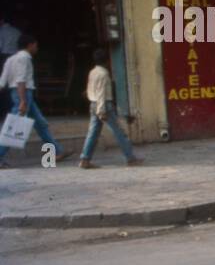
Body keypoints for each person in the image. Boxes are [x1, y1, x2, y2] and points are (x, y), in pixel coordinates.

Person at [0, 35, 72, 167]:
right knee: (14, 128)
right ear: (30, 45)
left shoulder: (11, 59)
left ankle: (57, 150)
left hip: (19, 94)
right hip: (23, 94)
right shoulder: (24, 58)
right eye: (36, 45)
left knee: (40, 124)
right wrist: (22, 100)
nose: (36, 48)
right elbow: (21, 80)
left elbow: (2, 81)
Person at [79, 48, 143, 168]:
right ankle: (131, 159)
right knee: (119, 133)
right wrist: (101, 110)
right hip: (104, 106)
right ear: (107, 60)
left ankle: (85, 159)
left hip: (93, 104)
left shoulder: (92, 72)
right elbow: (101, 93)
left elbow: (91, 90)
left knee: (92, 133)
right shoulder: (104, 74)